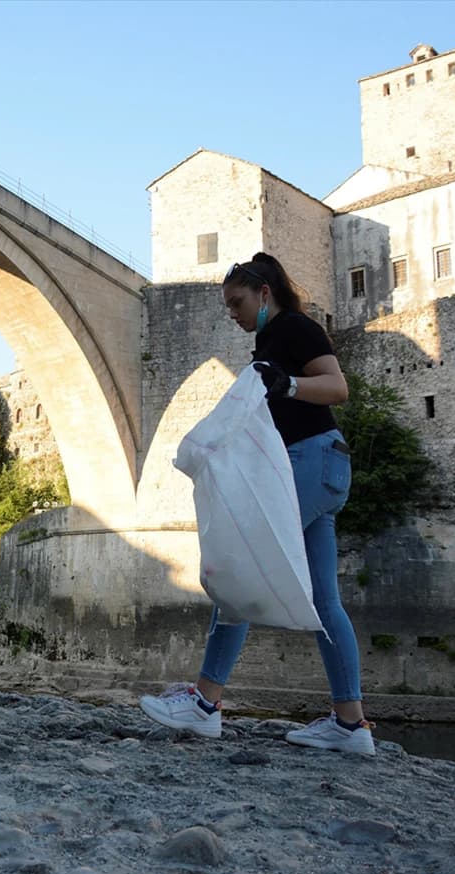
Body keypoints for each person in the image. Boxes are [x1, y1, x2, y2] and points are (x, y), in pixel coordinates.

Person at [139, 252, 375, 755]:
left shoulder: (293, 328)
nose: (233, 312)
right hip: (322, 466)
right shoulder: (270, 339)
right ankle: (350, 725)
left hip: (311, 463)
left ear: (264, 293)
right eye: (227, 306)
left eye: (237, 302)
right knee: (325, 600)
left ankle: (204, 704)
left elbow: (337, 388)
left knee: (239, 565)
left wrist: (285, 383)